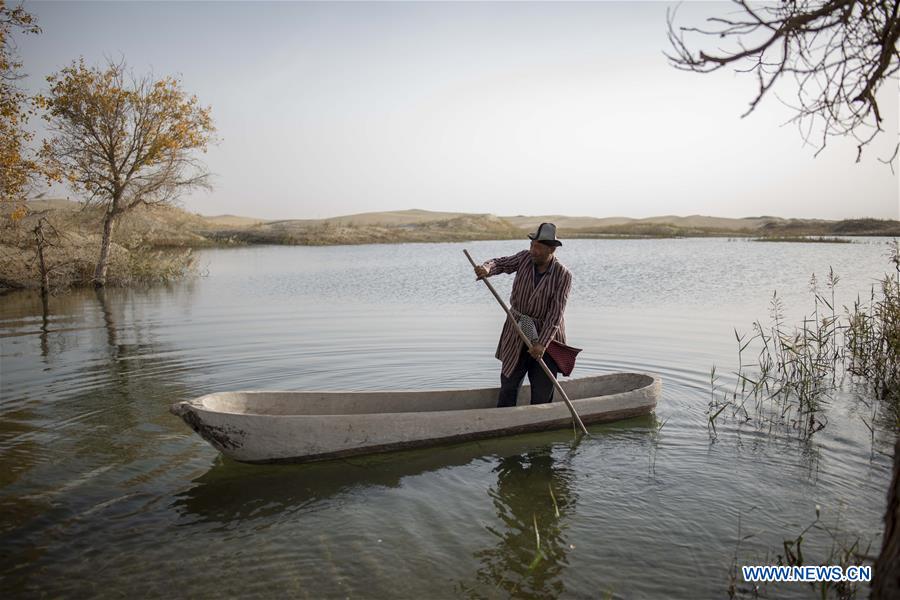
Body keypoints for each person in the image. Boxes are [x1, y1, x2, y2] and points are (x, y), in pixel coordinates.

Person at [473, 222, 573, 407]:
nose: (533, 251)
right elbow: (500, 263)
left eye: (538, 247)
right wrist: (487, 268)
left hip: (546, 337)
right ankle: (505, 417)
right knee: (509, 385)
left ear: (551, 249)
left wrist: (541, 344)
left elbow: (556, 314)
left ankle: (540, 418)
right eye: (532, 245)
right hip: (518, 329)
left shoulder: (563, 275)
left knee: (542, 394)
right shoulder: (524, 258)